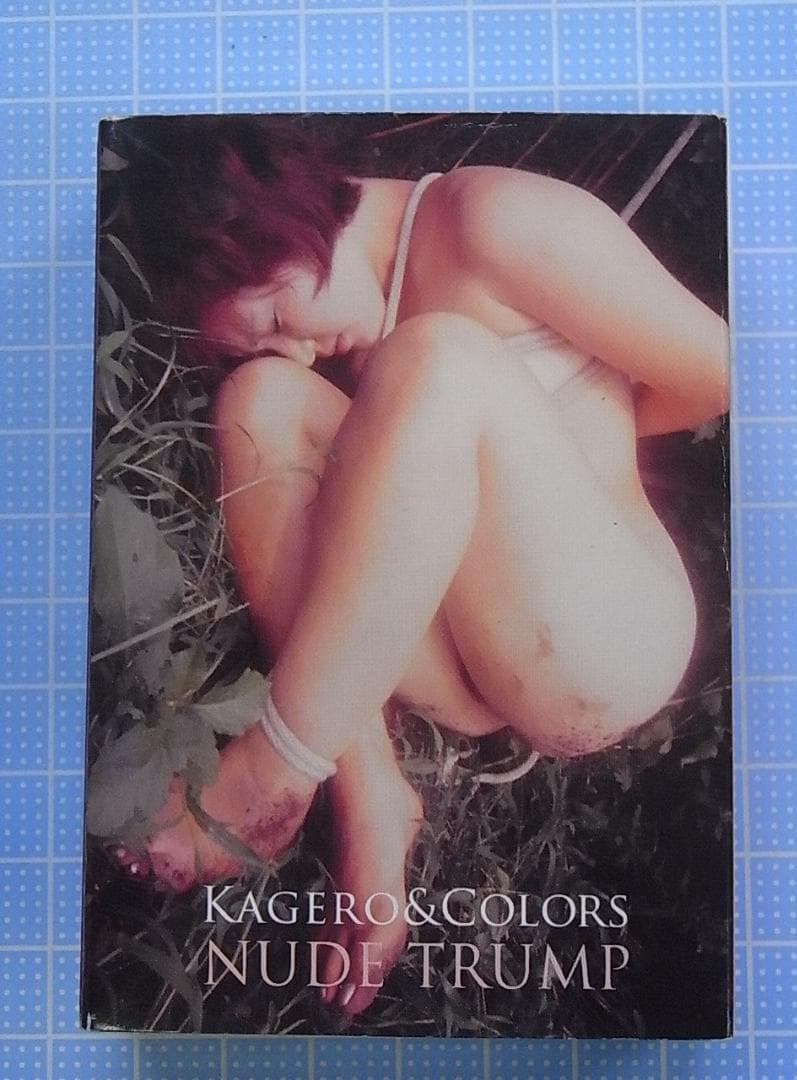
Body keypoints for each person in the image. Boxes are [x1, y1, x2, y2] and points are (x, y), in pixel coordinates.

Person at [110, 116, 729, 1017]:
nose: (299, 348)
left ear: (296, 214)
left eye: (279, 316)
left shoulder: (494, 220)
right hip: (474, 658)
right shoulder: (341, 337)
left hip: (610, 639)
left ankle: (273, 767)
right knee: (260, 403)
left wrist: (563, 461)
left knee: (438, 356)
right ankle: (372, 802)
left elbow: (720, 372)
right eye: (264, 335)